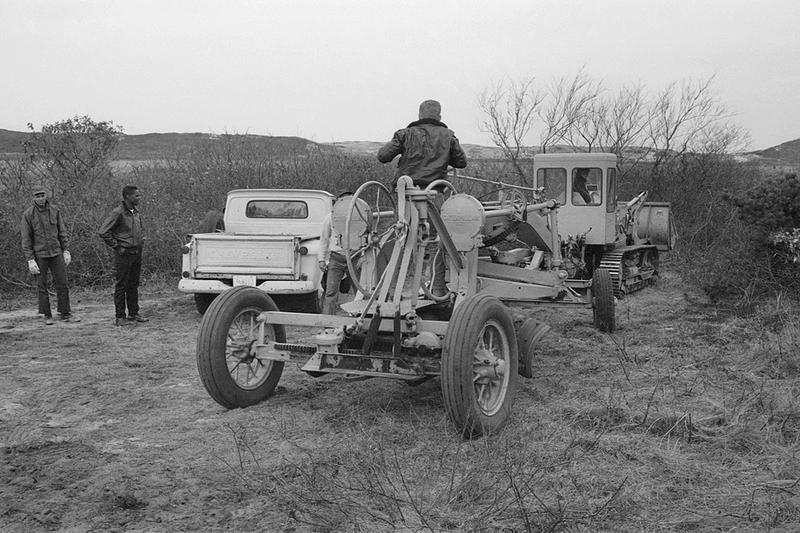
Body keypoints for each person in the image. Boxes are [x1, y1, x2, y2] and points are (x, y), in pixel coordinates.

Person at [377, 99, 467, 296]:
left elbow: (382, 156)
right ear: (439, 116)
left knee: (403, 237)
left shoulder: (404, 134)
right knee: (436, 241)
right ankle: (435, 286)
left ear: (419, 115)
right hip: (434, 195)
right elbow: (461, 162)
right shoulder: (448, 136)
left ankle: (397, 287)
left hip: (407, 196)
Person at [20, 187, 79, 324]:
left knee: (62, 283)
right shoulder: (28, 215)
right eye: (37, 196)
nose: (40, 198)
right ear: (33, 198)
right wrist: (30, 259)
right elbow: (26, 238)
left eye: (42, 195)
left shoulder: (55, 210)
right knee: (42, 285)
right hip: (39, 254)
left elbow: (62, 231)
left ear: (46, 196)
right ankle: (47, 315)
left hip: (56, 252)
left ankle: (65, 312)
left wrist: (66, 250)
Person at [98, 185, 148, 326]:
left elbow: (138, 229)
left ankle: (133, 313)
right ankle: (120, 317)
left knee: (133, 284)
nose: (139, 198)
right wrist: (117, 246)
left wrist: (141, 240)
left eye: (139, 195)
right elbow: (103, 232)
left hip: (136, 253)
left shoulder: (136, 212)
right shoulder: (118, 212)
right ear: (127, 197)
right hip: (124, 254)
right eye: (136, 196)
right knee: (121, 285)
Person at [318, 192, 354, 315]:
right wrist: (321, 259)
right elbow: (324, 239)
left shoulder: (360, 216)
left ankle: (360, 320)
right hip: (337, 259)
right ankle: (328, 322)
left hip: (355, 257)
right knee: (330, 292)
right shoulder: (330, 217)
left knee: (361, 292)